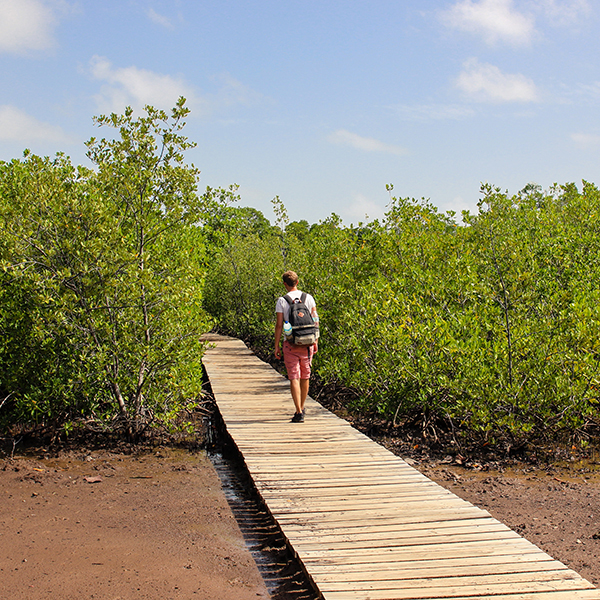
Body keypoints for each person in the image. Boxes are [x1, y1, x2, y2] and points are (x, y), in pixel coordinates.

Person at [274, 271, 318, 423]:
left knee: (294, 376)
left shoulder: (282, 301)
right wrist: (316, 341)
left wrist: (277, 346)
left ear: (284, 284)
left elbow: (280, 325)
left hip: (291, 343)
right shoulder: (309, 298)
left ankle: (298, 411)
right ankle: (302, 406)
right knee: (305, 376)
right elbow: (315, 320)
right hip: (308, 343)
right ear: (297, 282)